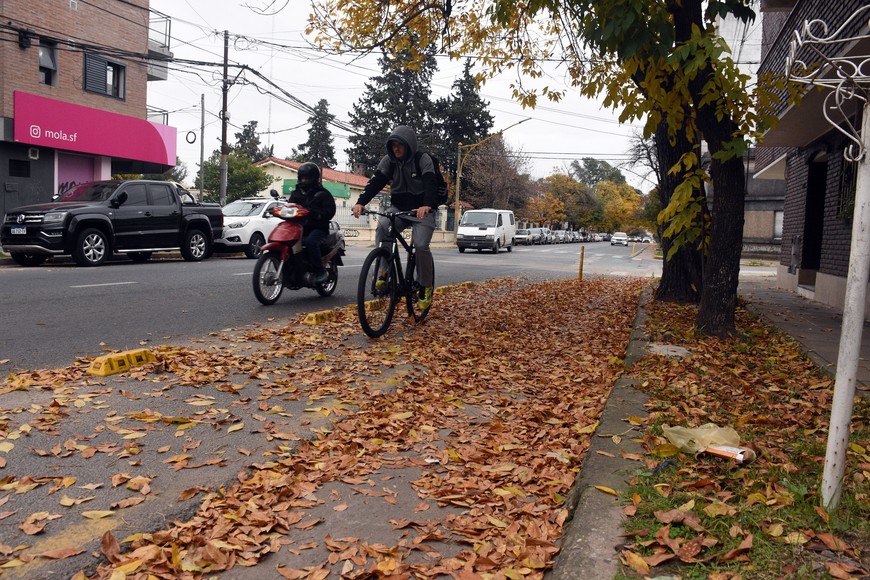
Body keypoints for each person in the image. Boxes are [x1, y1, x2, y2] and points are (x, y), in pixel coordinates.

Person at [352, 125, 436, 309]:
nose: (396, 149)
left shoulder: (423, 160)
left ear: (409, 145)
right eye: (393, 145)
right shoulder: (388, 161)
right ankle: (384, 273)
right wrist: (361, 202)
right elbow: (375, 182)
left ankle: (425, 286)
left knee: (421, 245)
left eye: (400, 145)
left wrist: (427, 204)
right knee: (382, 228)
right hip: (398, 208)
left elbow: (431, 184)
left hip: (422, 210)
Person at [289, 162, 336, 284]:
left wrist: (318, 214)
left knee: (310, 241)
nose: (303, 180)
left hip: (318, 228)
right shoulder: (296, 193)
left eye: (306, 178)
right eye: (302, 178)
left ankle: (320, 271)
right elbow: (290, 207)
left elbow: (330, 211)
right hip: (299, 227)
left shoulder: (323, 194)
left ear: (314, 178)